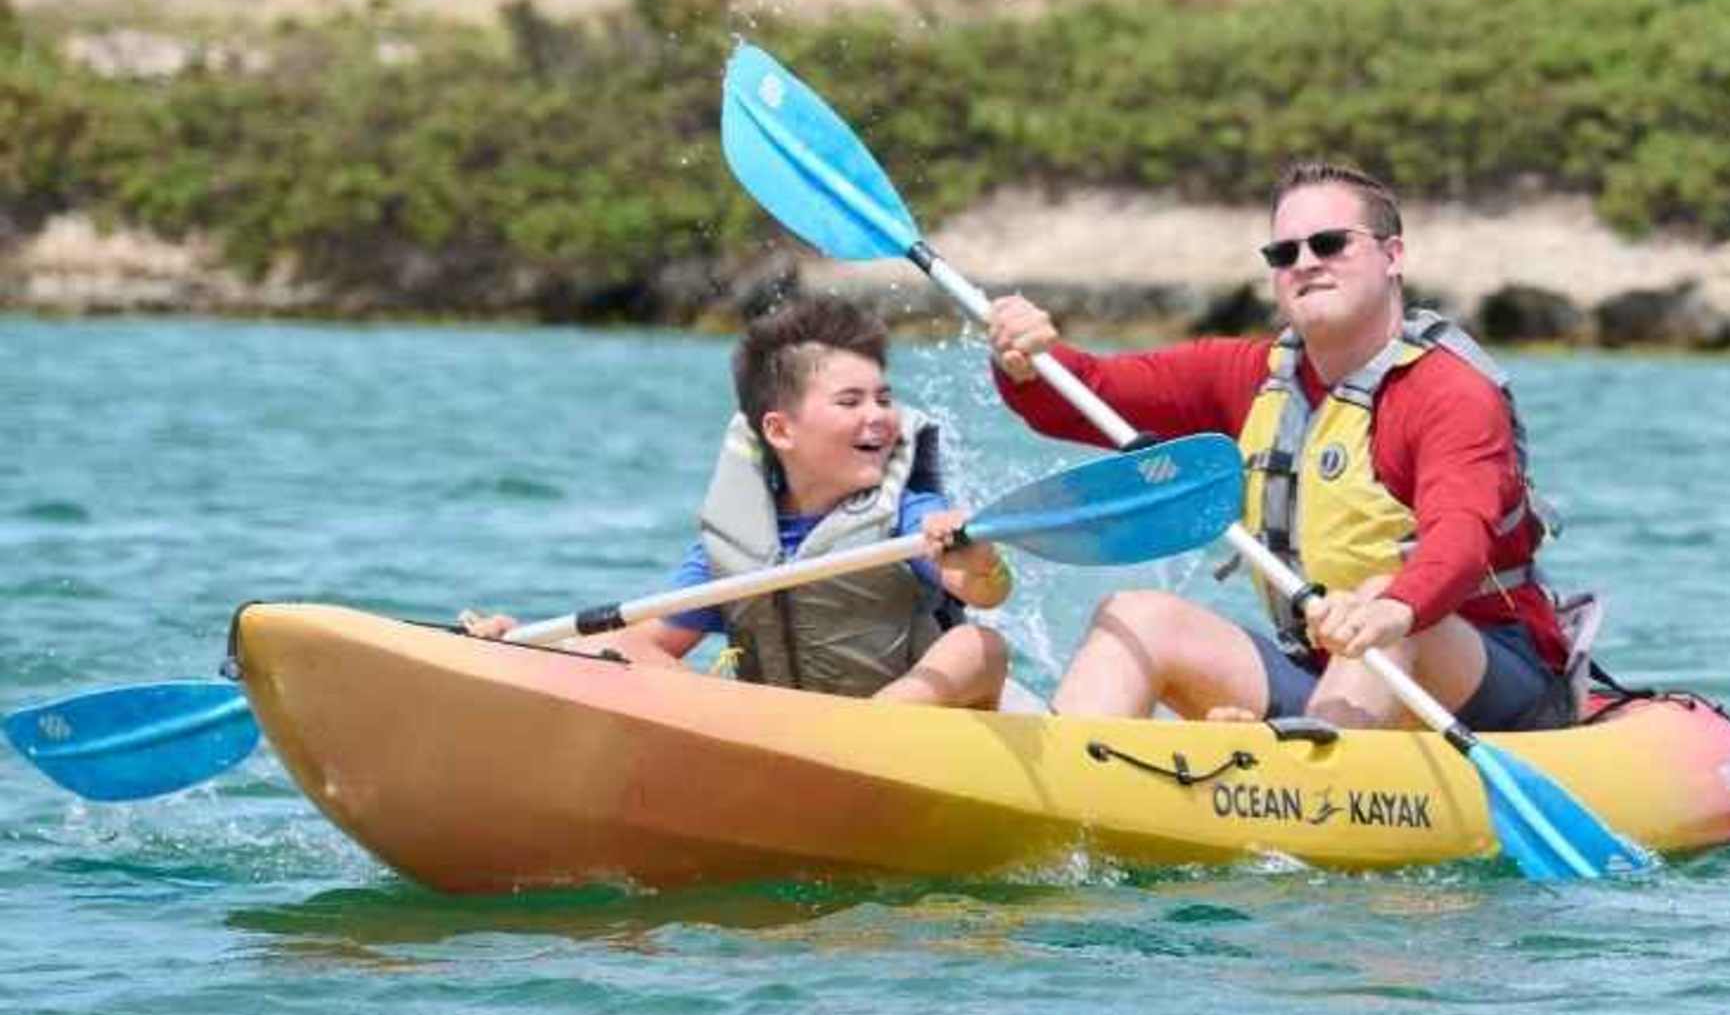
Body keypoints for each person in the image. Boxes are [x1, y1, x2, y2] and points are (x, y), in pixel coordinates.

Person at [982, 160, 1579, 730]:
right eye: (1284, 252)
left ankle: (1309, 780)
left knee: (1382, 605)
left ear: (1392, 255)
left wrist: (1391, 608)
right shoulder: (1245, 375)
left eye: (1330, 244)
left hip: (1485, 680)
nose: (1305, 263)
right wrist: (1027, 361)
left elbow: (1461, 537)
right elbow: (1086, 394)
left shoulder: (1449, 392)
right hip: (1324, 670)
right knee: (1137, 615)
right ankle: (1074, 796)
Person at [465, 293, 1011, 705]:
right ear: (780, 430)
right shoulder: (732, 547)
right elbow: (648, 639)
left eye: (884, 398)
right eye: (850, 401)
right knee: (609, 651)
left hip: (904, 729)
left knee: (978, 647)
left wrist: (976, 558)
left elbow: (982, 592)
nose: (878, 416)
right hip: (782, 727)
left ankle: (868, 736)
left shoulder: (908, 517)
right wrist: (522, 647)